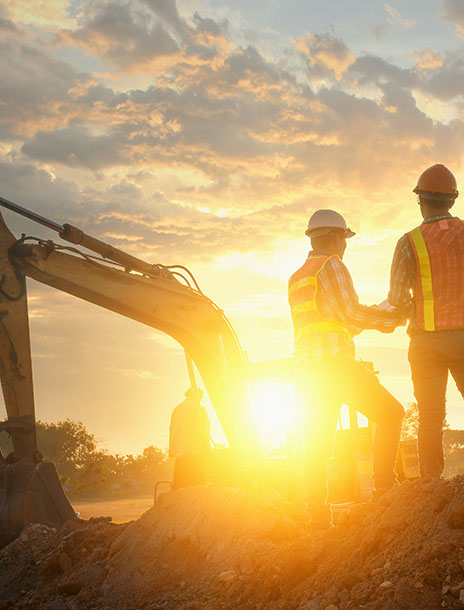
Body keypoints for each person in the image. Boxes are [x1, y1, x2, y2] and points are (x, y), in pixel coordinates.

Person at [288, 209, 404, 529]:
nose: (345, 246)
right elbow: (351, 314)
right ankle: (385, 488)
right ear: (336, 237)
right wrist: (390, 316)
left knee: (318, 442)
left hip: (308, 372)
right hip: (335, 366)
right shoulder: (333, 265)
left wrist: (369, 318)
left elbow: (333, 323)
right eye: (345, 239)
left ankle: (318, 516)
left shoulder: (299, 276)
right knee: (392, 414)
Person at [389, 163, 464, 479]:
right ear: (453, 200)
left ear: (420, 201)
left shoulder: (409, 242)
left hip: (425, 343)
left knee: (431, 417)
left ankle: (431, 489)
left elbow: (397, 299)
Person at [169, 387, 211, 489]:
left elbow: (171, 428)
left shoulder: (177, 408)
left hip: (180, 450)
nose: (200, 400)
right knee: (196, 484)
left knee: (180, 484)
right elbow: (201, 428)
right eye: (200, 397)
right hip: (193, 450)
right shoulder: (195, 408)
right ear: (195, 395)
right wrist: (204, 417)